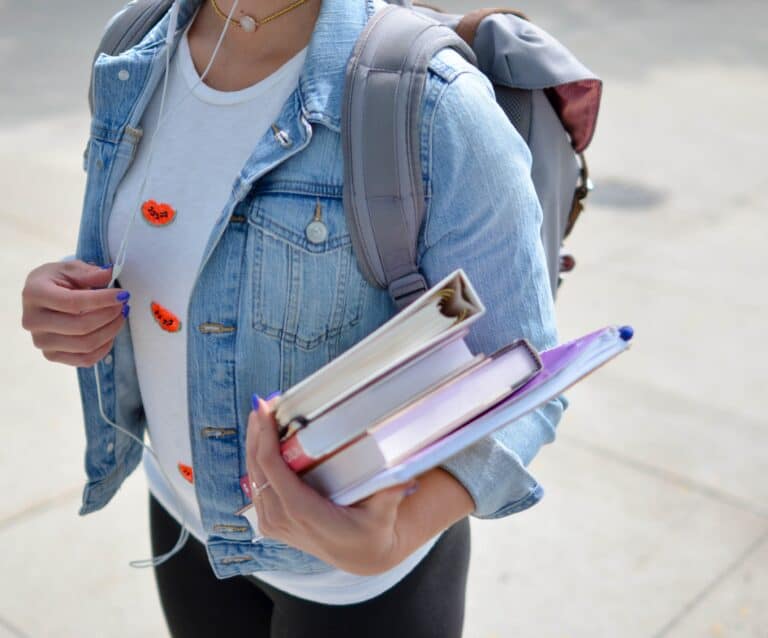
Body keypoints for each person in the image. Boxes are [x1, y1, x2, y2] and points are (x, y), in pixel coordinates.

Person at [20, 0, 567, 635]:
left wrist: (393, 538)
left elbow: (522, 376)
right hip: (184, 516)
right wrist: (68, 296)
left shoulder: (433, 102)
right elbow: (172, 243)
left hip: (357, 584)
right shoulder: (133, 47)